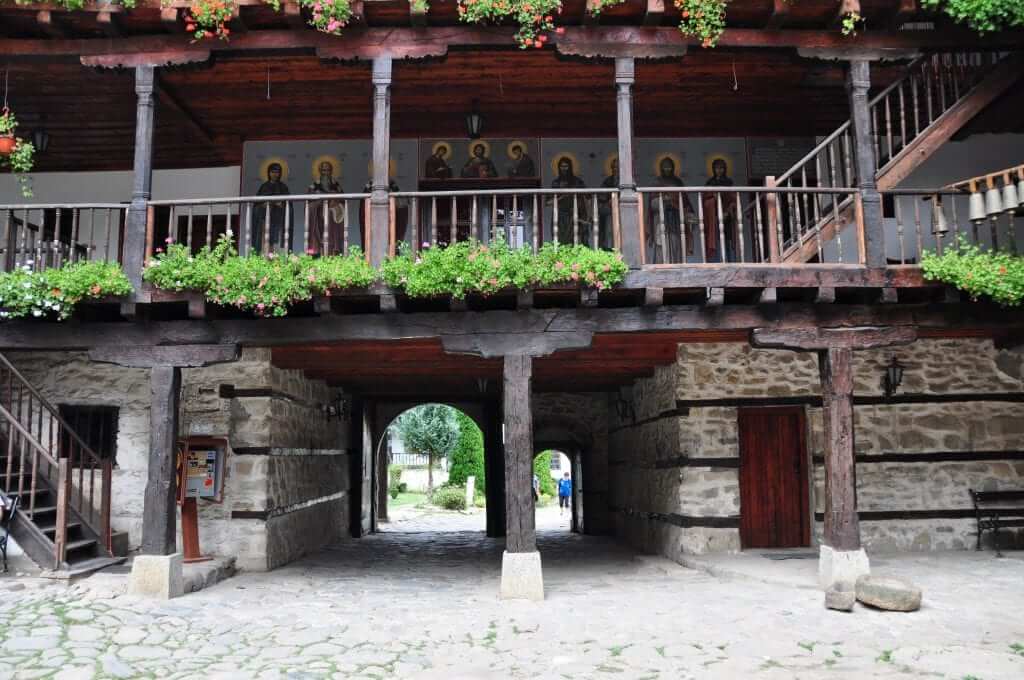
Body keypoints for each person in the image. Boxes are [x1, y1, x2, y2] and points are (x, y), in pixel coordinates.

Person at [702, 157, 738, 262]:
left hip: (727, 217)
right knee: (715, 239)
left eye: (722, 168)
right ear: (713, 169)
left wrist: (728, 211)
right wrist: (713, 198)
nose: (719, 170)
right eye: (717, 168)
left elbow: (733, 199)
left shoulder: (729, 182)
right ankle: (716, 261)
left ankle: (729, 260)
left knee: (727, 240)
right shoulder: (709, 183)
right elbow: (705, 200)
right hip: (714, 217)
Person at [253, 162, 292, 253]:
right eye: (272, 172)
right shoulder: (264, 187)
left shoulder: (283, 187)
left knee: (277, 247)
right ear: (268, 173)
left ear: (280, 174)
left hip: (279, 221)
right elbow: (257, 205)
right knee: (265, 243)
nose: (275, 174)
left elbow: (288, 205)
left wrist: (281, 205)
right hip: (265, 220)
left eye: (277, 172)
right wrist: (266, 205)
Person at [308, 160, 345, 254]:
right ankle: (317, 250)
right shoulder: (314, 186)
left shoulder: (336, 185)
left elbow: (342, 199)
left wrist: (335, 201)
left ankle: (334, 249)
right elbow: (309, 202)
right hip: (318, 217)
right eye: (324, 170)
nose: (326, 173)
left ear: (331, 171)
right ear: (320, 171)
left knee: (330, 215)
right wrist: (320, 201)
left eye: (328, 170)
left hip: (333, 218)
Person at [549, 156, 589, 245]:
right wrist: (562, 196)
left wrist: (587, 215)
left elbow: (588, 197)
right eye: (562, 166)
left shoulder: (577, 181)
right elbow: (548, 202)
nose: (564, 169)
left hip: (576, 214)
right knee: (560, 241)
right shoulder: (555, 183)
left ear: (570, 167)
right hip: (560, 216)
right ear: (558, 167)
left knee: (576, 239)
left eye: (566, 166)